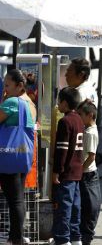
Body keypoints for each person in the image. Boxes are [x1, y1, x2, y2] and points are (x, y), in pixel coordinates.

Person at [0, 69, 36, 245]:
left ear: (19, 86)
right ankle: (17, 236)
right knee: (18, 198)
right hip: (21, 156)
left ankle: (16, 237)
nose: (4, 89)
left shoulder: (11, 102)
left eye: (7, 85)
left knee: (14, 200)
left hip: (8, 158)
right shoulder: (25, 103)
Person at [52, 87, 83, 245]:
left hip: (67, 173)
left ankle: (63, 239)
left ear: (64, 102)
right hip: (77, 172)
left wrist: (57, 171)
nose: (58, 104)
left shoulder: (64, 121)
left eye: (59, 101)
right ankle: (75, 237)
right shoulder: (78, 119)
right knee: (75, 206)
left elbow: (61, 150)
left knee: (64, 207)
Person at [77, 99, 101, 245]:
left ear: (90, 115)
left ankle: (86, 238)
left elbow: (91, 157)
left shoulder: (91, 133)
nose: (79, 117)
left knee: (89, 207)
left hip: (88, 175)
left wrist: (80, 170)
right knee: (85, 207)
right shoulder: (86, 129)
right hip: (86, 174)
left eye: (81, 115)